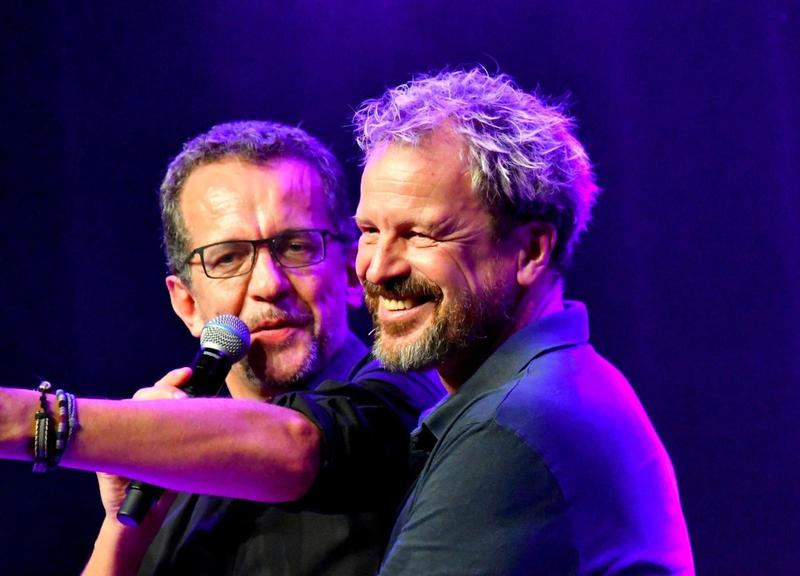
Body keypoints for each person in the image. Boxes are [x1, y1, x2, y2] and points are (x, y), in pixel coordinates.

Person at [0, 121, 442, 575]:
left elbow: (297, 445)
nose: (269, 284)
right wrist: (125, 525)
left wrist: (30, 419)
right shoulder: (180, 468)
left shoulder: (408, 388)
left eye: (296, 247)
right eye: (228, 258)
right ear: (187, 304)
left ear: (351, 271)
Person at [352, 68, 695, 575]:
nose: (378, 268)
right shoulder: (563, 387)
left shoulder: (510, 429)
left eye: (421, 235)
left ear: (532, 250)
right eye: (368, 230)